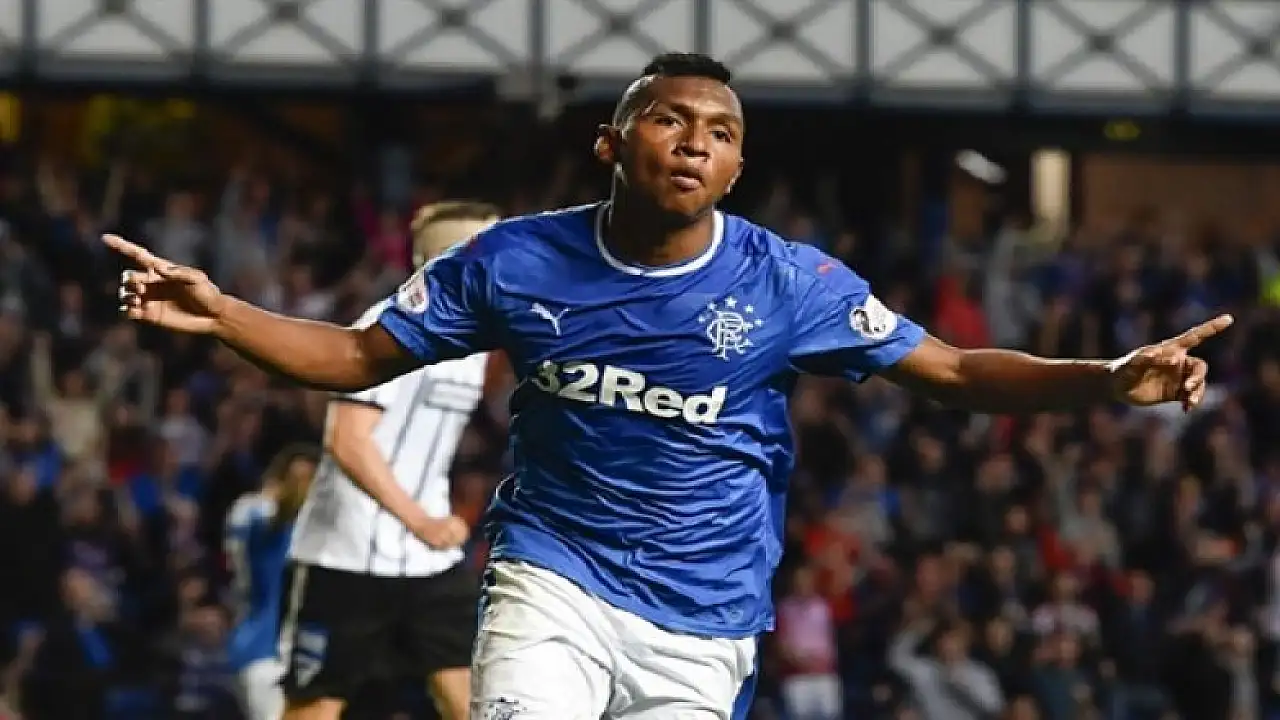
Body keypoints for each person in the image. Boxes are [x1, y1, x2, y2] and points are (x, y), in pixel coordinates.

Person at [108, 53, 1231, 720]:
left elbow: (947, 368)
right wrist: (224, 314)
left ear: (736, 168)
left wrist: (1103, 379)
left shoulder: (788, 282)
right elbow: (355, 359)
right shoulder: (511, 260)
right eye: (669, 118)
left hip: (706, 615)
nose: (695, 142)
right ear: (612, 144)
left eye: (720, 132)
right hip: (551, 575)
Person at [278, 202, 499, 720]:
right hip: (349, 555)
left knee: (476, 704)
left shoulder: (475, 341)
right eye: (490, 249)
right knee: (315, 708)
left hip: (430, 561)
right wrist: (420, 519)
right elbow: (348, 440)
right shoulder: (392, 327)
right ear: (450, 259)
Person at [224, 444, 318, 720]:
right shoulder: (260, 520)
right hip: (266, 653)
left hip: (290, 655)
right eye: (298, 480)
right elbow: (253, 518)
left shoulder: (304, 532)